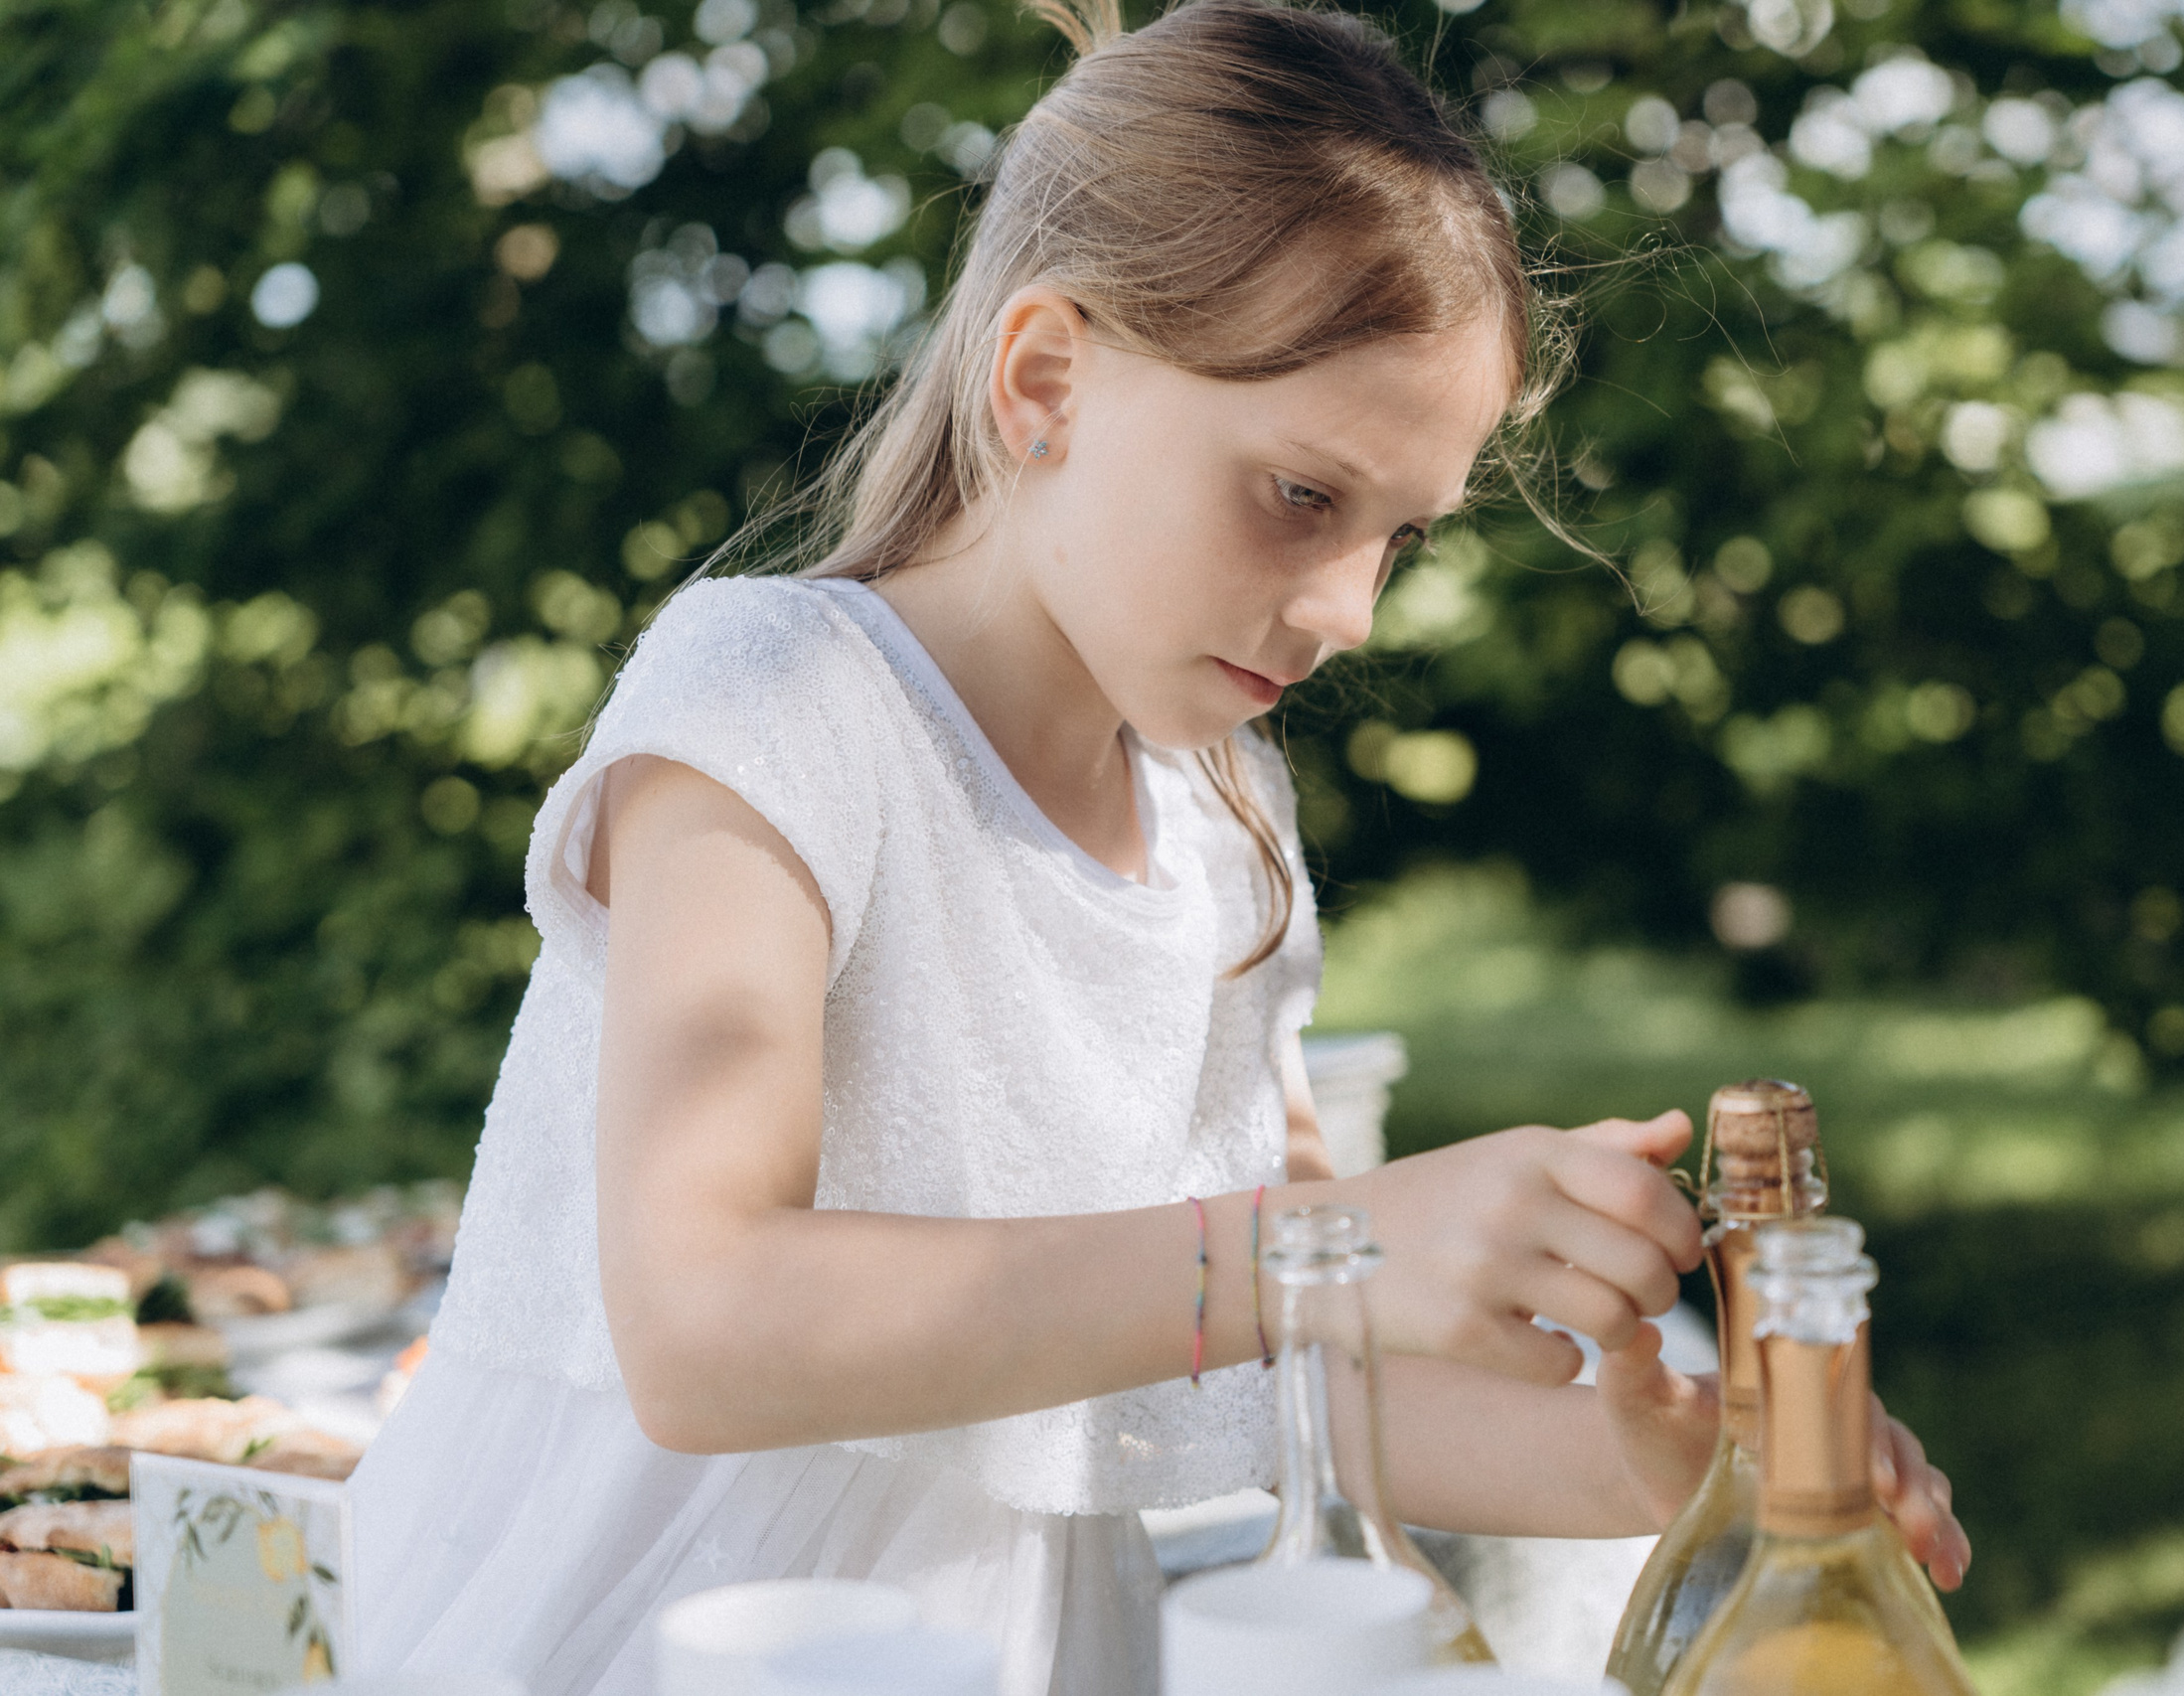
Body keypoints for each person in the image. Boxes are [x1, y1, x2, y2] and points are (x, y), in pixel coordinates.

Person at [348, 4, 1968, 1692]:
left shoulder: (1227, 820)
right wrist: (1307, 1256)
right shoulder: (779, 700)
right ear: (1048, 378)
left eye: (1400, 535)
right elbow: (701, 1324)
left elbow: (1283, 1376)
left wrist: (1696, 1478)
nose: (1349, 610)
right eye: (1299, 497)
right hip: (644, 1651)